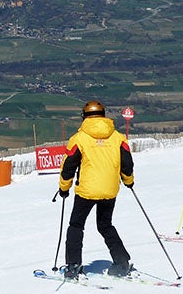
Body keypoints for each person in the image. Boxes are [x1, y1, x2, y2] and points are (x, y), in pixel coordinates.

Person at [57, 100, 135, 279]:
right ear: (103, 115)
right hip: (110, 189)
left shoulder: (79, 138)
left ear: (84, 116)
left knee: (76, 226)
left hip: (87, 191)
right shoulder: (117, 137)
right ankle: (121, 261)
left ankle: (73, 266)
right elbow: (127, 163)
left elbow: (68, 166)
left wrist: (64, 188)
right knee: (105, 225)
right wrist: (128, 181)